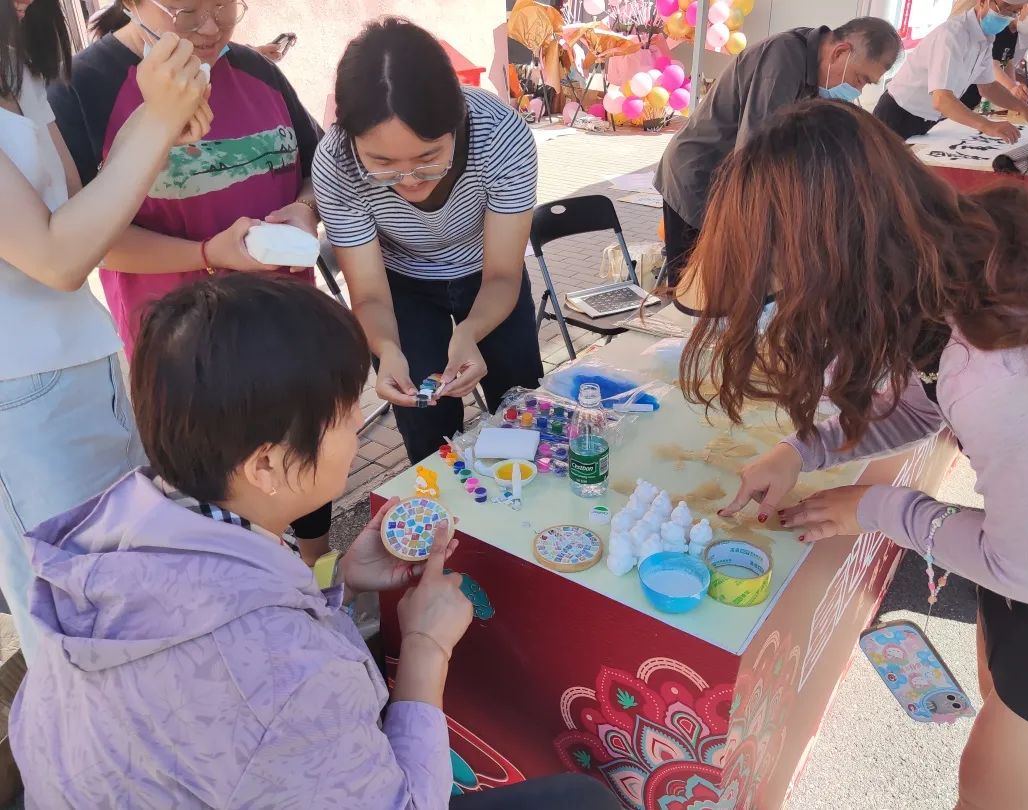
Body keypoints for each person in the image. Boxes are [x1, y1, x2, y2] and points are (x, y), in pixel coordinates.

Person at [10, 273, 620, 810]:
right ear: (267, 465)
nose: (358, 424)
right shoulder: (284, 676)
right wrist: (426, 648)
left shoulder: (118, 532)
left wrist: (333, 579)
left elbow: (226, 612)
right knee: (584, 800)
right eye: (346, 412)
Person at [679, 100, 1028, 810]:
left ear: (830, 267)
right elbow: (928, 402)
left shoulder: (999, 375)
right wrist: (800, 451)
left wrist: (876, 507)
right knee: (997, 714)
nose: (785, 310)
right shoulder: (967, 263)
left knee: (992, 794)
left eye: (781, 289)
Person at [50, 0, 333, 564]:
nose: (211, 27)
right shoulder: (84, 88)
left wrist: (305, 208)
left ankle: (317, 575)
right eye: (186, 11)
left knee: (302, 464)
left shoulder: (256, 69)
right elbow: (84, 237)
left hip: (286, 325)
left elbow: (317, 165)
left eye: (224, 5)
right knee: (220, 502)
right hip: (189, 353)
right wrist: (205, 254)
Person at [0, 0, 208, 660]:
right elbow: (55, 256)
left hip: (88, 362)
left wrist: (158, 120)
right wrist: (157, 120)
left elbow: (76, 208)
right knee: (77, 621)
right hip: (19, 398)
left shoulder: (19, 63)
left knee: (133, 583)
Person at [313, 17, 544, 464]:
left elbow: (502, 274)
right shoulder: (336, 163)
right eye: (382, 164)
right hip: (403, 285)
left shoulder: (501, 133)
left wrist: (471, 332)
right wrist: (386, 349)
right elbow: (370, 295)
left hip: (488, 275)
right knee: (425, 424)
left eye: (428, 158)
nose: (409, 180)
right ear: (350, 137)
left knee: (521, 408)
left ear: (457, 122)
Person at [653, 16, 902, 287]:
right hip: (699, 177)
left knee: (728, 282)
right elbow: (757, 153)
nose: (857, 90)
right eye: (860, 79)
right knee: (694, 285)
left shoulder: (816, 70)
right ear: (840, 52)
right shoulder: (782, 59)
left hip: (730, 181)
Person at [874, 0, 1028, 141]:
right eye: (1005, 8)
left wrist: (1023, 108)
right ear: (983, 1)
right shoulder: (952, 35)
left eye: (1014, 12)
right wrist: (987, 126)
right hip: (898, 114)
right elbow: (942, 99)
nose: (1008, 16)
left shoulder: (985, 37)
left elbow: (988, 87)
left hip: (925, 119)